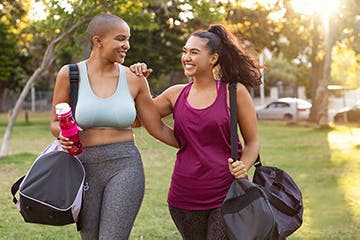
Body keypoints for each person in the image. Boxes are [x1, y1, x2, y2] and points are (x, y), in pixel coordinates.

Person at [50, 14, 178, 240]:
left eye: (128, 39)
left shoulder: (134, 78)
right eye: (120, 39)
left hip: (125, 166)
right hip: (83, 167)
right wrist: (63, 135)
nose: (127, 45)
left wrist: (193, 144)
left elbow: (155, 126)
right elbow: (54, 122)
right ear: (97, 40)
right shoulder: (70, 75)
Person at [130, 24, 261, 239]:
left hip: (227, 193)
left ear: (213, 58)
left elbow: (253, 142)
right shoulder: (175, 94)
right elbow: (140, 121)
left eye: (194, 52)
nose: (186, 57)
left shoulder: (234, 92)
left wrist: (243, 166)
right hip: (184, 196)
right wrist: (139, 82)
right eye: (185, 51)